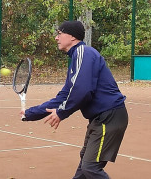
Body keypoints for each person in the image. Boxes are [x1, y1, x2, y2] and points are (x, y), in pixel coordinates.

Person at [20, 20, 128, 179]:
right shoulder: (76, 59)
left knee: (90, 167)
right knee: (84, 167)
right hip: (100, 119)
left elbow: (82, 90)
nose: (56, 38)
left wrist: (62, 112)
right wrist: (30, 113)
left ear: (71, 36)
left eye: (59, 33)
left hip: (109, 117)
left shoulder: (84, 52)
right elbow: (64, 96)